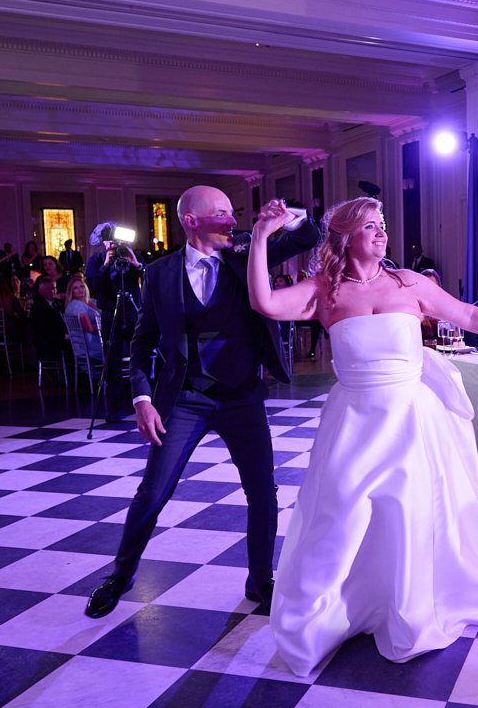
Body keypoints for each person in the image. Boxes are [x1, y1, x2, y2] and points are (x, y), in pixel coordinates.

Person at [246, 197, 478, 676]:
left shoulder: (409, 283)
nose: (382, 232)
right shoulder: (325, 291)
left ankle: (408, 605)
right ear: (347, 236)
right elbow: (264, 302)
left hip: (412, 420)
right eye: (370, 226)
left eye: (383, 224)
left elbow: (469, 317)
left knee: (411, 516)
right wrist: (263, 238)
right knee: (341, 517)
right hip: (354, 422)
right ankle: (337, 609)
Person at [84, 186, 319, 620]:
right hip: (185, 397)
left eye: (233, 213)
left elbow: (305, 238)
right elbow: (143, 341)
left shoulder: (247, 255)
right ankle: (121, 575)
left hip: (242, 396)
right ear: (191, 221)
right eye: (222, 214)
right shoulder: (157, 274)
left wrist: (289, 214)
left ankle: (259, 580)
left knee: (262, 493)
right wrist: (141, 397)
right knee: (152, 492)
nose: (233, 221)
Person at [84, 224, 145, 422]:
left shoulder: (131, 254)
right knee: (112, 362)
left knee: (144, 355)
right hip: (111, 313)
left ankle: (150, 404)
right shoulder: (96, 260)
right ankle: (114, 409)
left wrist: (136, 263)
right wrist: (106, 265)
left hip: (132, 310)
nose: (115, 244)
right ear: (103, 242)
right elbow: (93, 286)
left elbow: (149, 279)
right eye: (110, 241)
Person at [63, 275, 104, 364]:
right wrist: (107, 327)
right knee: (125, 346)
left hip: (101, 340)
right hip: (92, 345)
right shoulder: (75, 305)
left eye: (82, 286)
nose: (80, 290)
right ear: (71, 292)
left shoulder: (92, 301)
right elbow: (88, 327)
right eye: (75, 288)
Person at [29, 275, 68, 364]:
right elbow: (45, 330)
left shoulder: (56, 303)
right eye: (48, 289)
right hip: (47, 343)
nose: (52, 292)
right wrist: (64, 336)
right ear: (40, 291)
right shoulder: (38, 307)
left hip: (56, 338)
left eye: (54, 288)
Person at [419, 268, 443, 344]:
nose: (428, 290)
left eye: (432, 286)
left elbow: (454, 336)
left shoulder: (443, 309)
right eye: (425, 286)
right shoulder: (414, 308)